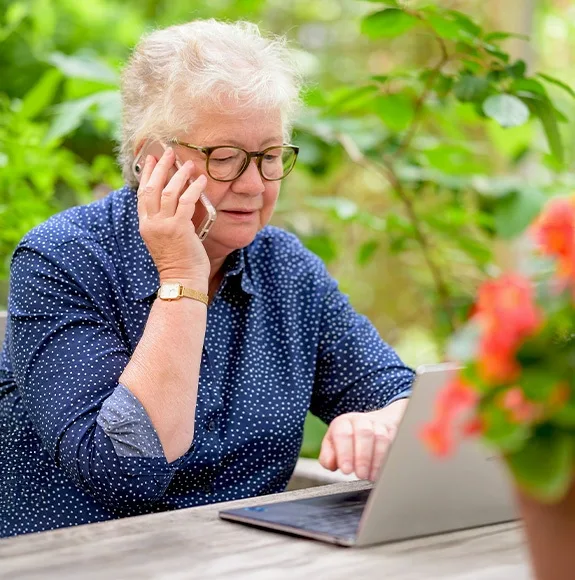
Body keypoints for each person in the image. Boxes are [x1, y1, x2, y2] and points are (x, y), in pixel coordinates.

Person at [0, 19, 414, 538]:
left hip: (247, 563)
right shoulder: (62, 259)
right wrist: (181, 276)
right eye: (225, 158)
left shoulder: (286, 268)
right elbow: (124, 470)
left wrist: (383, 422)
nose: (254, 184)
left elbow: (404, 396)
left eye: (268, 156)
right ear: (154, 161)